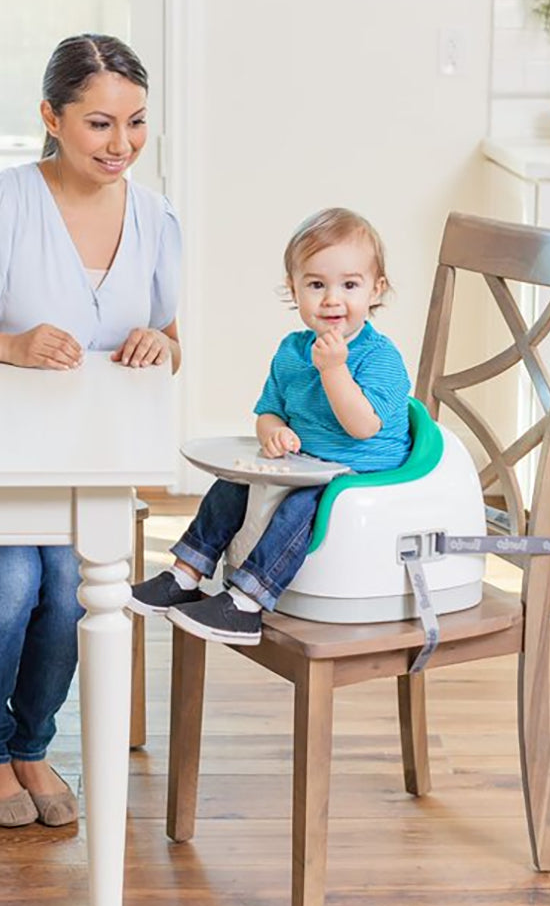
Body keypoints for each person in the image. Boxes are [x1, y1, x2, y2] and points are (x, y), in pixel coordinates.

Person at [0, 34, 181, 828]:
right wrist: (6, 347)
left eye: (137, 122)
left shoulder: (154, 218)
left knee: (69, 585)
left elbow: (168, 336)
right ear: (50, 117)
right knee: (16, 580)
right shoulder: (1, 202)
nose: (121, 145)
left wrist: (165, 343)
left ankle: (32, 745)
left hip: (85, 461)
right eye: (98, 124)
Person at [128, 208, 409, 644]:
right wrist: (273, 432)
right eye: (316, 285)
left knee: (301, 505)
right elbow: (268, 410)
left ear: (377, 290)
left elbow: (362, 427)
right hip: (305, 461)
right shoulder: (292, 351)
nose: (333, 299)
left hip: (358, 471)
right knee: (231, 484)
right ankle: (185, 574)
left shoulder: (379, 357)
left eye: (349, 285)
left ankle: (246, 602)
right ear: (293, 290)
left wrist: (335, 370)